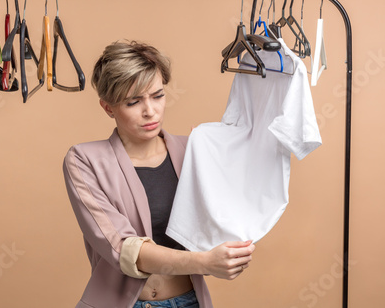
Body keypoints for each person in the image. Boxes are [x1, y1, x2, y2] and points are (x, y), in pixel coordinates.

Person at [62, 40, 255, 308]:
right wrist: (204, 262)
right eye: (133, 102)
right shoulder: (85, 161)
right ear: (108, 107)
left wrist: (213, 153)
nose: (150, 111)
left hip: (190, 302)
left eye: (158, 95)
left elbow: (221, 222)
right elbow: (124, 249)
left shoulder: (191, 151)